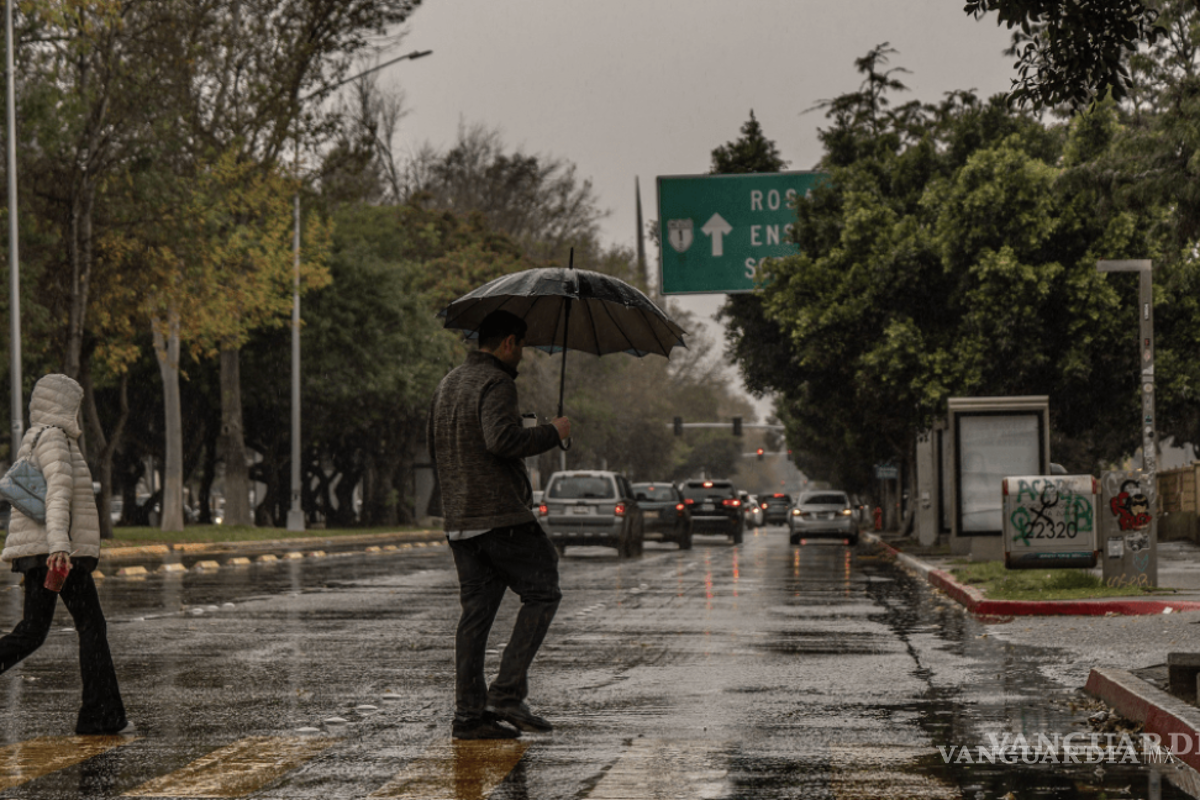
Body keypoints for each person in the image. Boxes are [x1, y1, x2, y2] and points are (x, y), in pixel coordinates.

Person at [428, 310, 570, 740]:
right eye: (522, 346)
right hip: (500, 517)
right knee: (543, 589)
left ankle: (469, 718)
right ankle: (506, 693)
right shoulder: (498, 383)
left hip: (460, 520)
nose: (522, 355)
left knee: (475, 618)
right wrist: (552, 431)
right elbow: (501, 441)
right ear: (509, 342)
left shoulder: (448, 383)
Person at [0, 373, 132, 736]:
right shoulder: (56, 439)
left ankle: (101, 715)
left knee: (32, 631)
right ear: (64, 404)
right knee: (91, 627)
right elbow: (56, 496)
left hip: (42, 552)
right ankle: (100, 716)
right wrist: (60, 546)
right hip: (55, 553)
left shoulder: (35, 437)